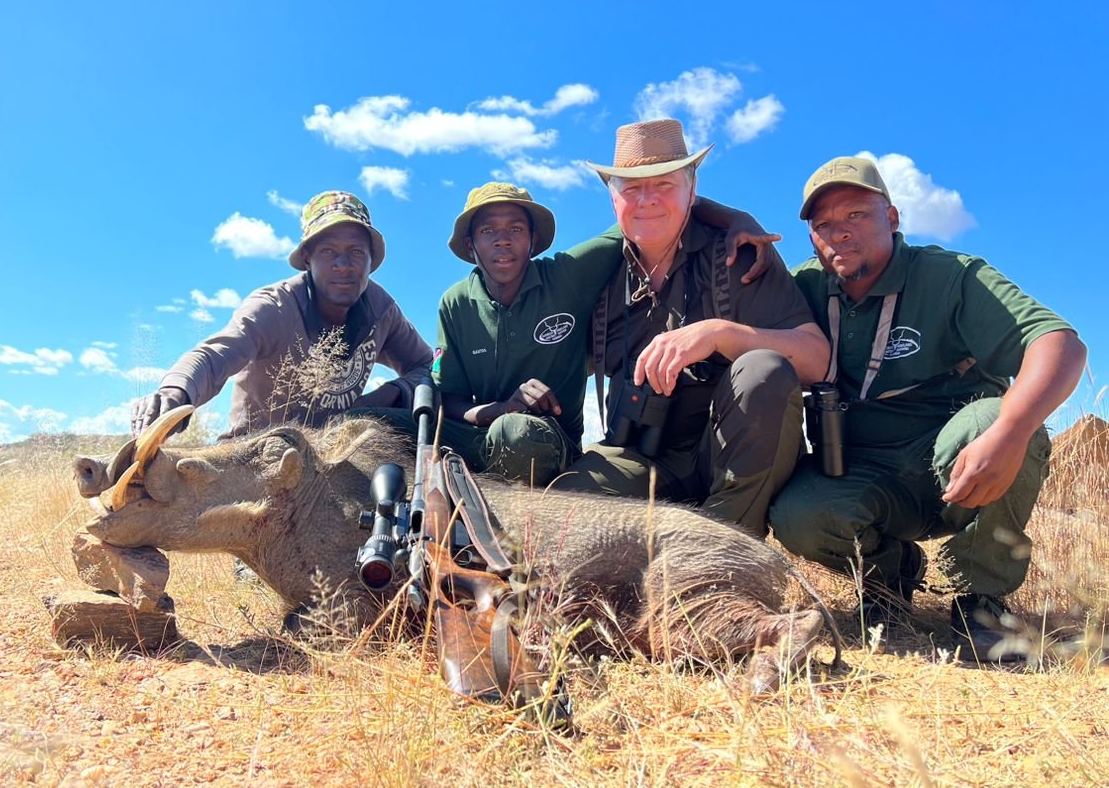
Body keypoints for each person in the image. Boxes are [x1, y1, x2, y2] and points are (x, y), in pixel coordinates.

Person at [767, 156, 1086, 660]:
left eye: (856, 216)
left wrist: (1012, 431)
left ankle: (980, 601)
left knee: (997, 419)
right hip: (864, 472)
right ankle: (890, 576)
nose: (840, 234)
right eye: (823, 224)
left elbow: (1059, 344)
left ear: (892, 218)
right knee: (797, 515)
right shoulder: (801, 286)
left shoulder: (952, 276)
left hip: (959, 465)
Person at [554, 119, 830, 538]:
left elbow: (817, 360)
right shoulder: (597, 274)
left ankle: (722, 552)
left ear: (692, 189)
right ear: (613, 201)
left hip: (728, 459)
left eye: (664, 184)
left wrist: (720, 334)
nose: (647, 200)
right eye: (631, 188)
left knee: (763, 371)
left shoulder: (739, 257)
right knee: (566, 514)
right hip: (641, 453)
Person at [130, 191, 432, 439]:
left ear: (371, 261)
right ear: (306, 259)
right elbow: (213, 356)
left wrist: (390, 394)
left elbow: (427, 366)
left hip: (334, 461)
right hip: (254, 457)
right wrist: (175, 393)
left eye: (356, 252)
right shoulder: (274, 307)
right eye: (328, 252)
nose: (343, 264)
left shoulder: (381, 311)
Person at [430, 182, 622, 484]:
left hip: (546, 440)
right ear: (471, 246)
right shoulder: (455, 303)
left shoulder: (566, 277)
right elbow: (451, 401)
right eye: (487, 231)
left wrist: (722, 215)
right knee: (384, 421)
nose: (502, 240)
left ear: (533, 241)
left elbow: (641, 213)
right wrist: (502, 408)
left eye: (516, 229)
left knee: (515, 434)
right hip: (478, 437)